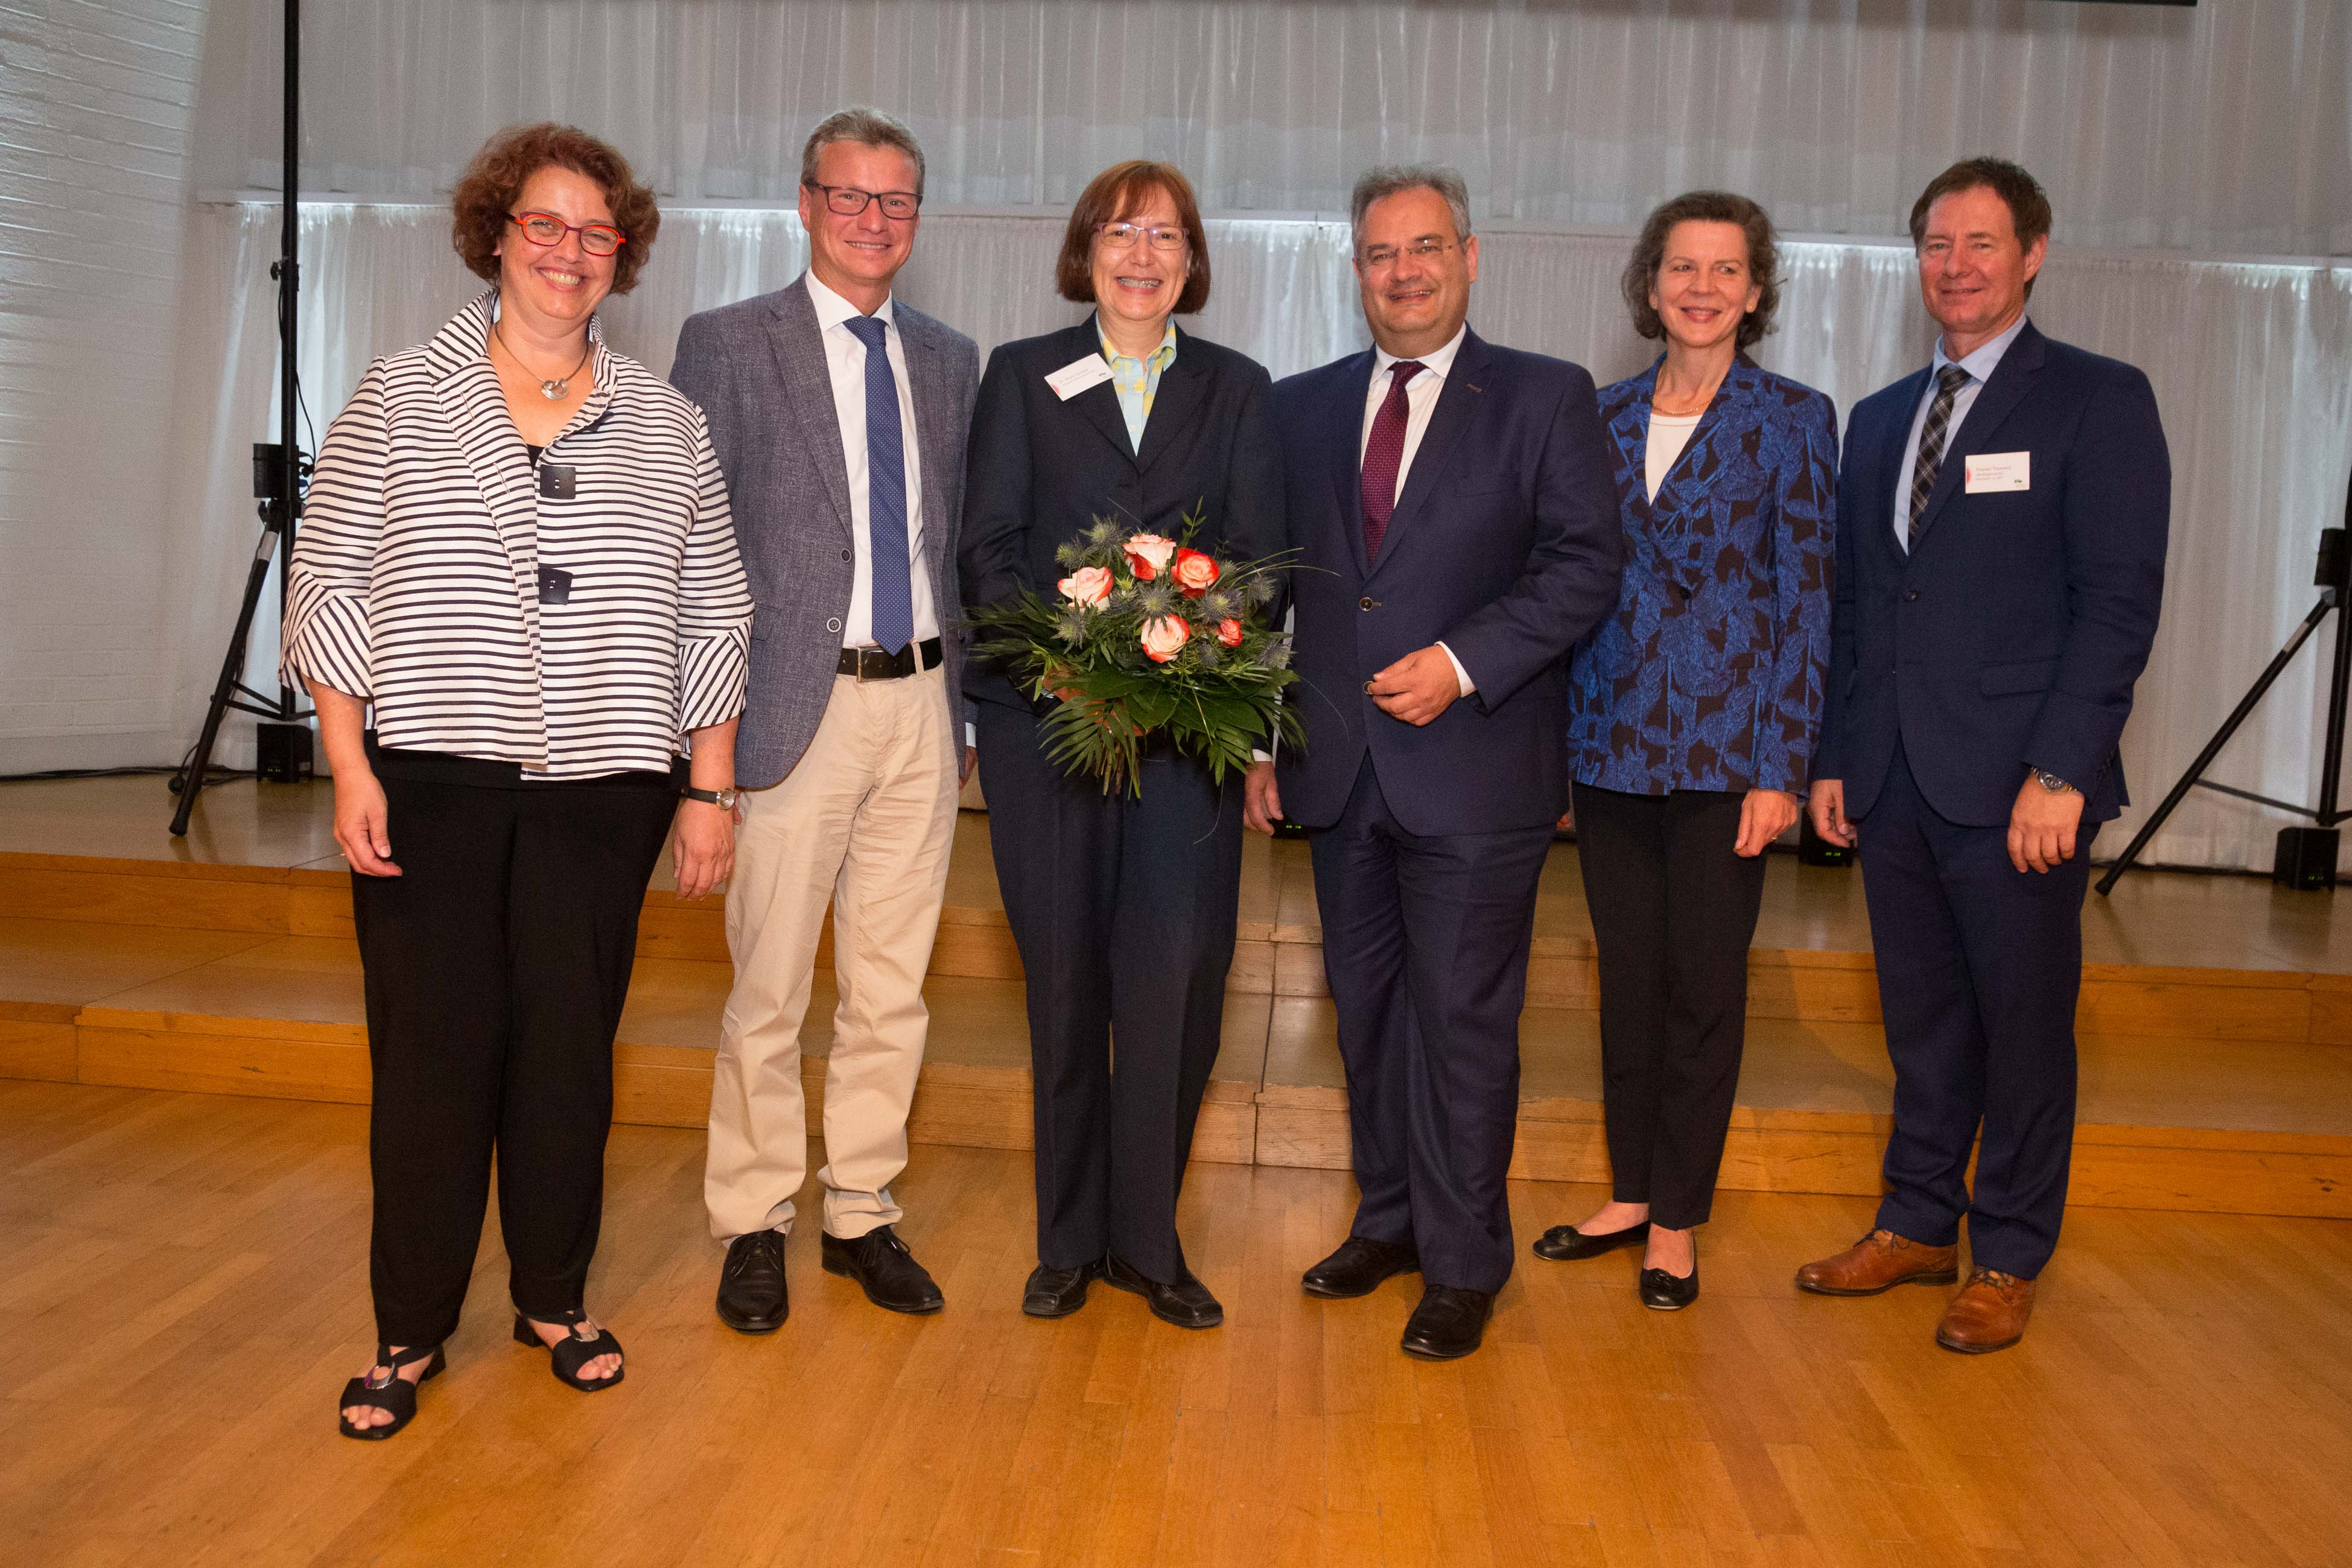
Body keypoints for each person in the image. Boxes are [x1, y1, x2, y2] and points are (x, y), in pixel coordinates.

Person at [285, 122, 752, 1438]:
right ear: (495, 233)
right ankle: (409, 1329)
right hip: (428, 780)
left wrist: (708, 787)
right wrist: (346, 761)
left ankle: (555, 1296)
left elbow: (715, 608)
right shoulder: (399, 393)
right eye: (542, 225)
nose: (568, 251)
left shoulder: (666, 422)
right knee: (433, 1063)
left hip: (602, 792)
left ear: (623, 255)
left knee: (566, 1056)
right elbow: (330, 584)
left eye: (595, 232)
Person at [1246, 166, 1621, 1360]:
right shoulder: (1299, 406)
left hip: (1474, 769)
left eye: (1422, 248)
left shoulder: (1544, 397)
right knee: (1365, 1018)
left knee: (1461, 1022)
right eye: (1377, 254)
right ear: (1353, 269)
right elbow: (1270, 591)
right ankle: (1391, 1220)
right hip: (1336, 770)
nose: (1400, 271)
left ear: (1469, 254)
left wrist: (1461, 661)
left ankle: (1464, 1264)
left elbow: (1581, 565)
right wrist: (1258, 737)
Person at [1798, 157, 2169, 1353]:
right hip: (1894, 779)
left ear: (2032, 254)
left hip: (2021, 787)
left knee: (2019, 1027)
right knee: (1920, 1024)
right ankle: (1914, 1223)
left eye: (1979, 243)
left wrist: (2061, 769)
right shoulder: (1877, 418)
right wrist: (1834, 758)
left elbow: (2116, 605)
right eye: (1935, 246)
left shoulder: (2096, 401)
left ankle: (2005, 1252)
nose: (1954, 266)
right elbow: (1856, 608)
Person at [960, 159, 1285, 1329]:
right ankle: (1065, 1241)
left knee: (1172, 987)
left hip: (1186, 741)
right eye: (1117, 231)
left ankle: (1147, 1242)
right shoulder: (1019, 377)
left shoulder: (1242, 390)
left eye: (1163, 235)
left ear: (1191, 261)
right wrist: (1066, 664)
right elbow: (987, 551)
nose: (1139, 254)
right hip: (1046, 731)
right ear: (1083, 251)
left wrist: (1172, 661)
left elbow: (1255, 564)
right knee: (1063, 986)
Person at [669, 109, 980, 1332]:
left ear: (915, 219)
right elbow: (691, 551)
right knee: (767, 990)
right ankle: (753, 1219)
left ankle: (860, 1209)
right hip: (786, 707)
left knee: (891, 986)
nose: (870, 218)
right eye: (847, 196)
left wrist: (964, 717)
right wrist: (707, 740)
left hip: (920, 704)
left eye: (893, 201)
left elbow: (947, 542)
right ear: (803, 203)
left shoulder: (950, 357)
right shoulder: (728, 343)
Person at [1533, 192, 1837, 1311]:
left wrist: (1782, 767)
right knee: (1627, 980)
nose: (1700, 287)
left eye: (1723, 269)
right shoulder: (1595, 415)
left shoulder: (1796, 418)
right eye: (1680, 268)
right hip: (1607, 745)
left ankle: (1677, 1219)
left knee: (1703, 991)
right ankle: (1626, 1189)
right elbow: (1564, 583)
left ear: (1755, 291)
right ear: (1648, 284)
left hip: (1727, 758)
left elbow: (1807, 601)